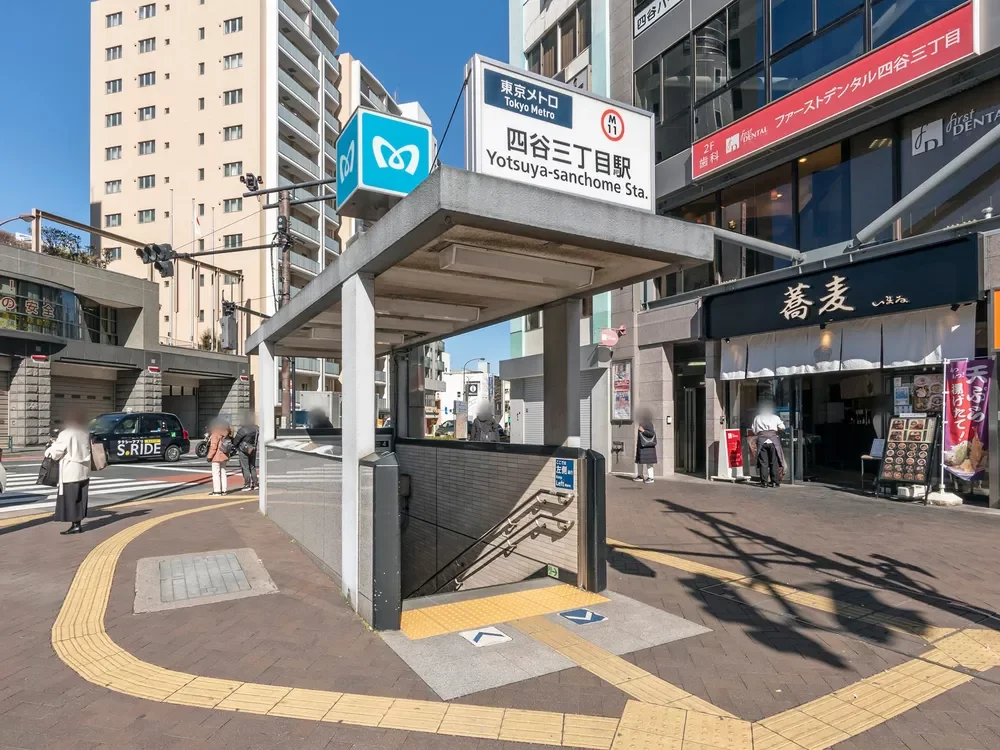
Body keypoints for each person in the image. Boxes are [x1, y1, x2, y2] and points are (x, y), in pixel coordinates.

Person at [45, 408, 92, 535]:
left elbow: (57, 452)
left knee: (70, 499)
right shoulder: (84, 432)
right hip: (84, 470)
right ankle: (78, 524)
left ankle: (75, 525)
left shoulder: (66, 433)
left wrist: (49, 449)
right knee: (80, 498)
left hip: (71, 471)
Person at [751, 399, 786, 488]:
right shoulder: (775, 417)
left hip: (762, 441)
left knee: (763, 463)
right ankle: (774, 482)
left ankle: (764, 483)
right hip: (773, 441)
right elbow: (782, 427)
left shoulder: (757, 418)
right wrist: (775, 429)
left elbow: (754, 431)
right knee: (774, 462)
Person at [233, 413, 259, 492]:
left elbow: (236, 441)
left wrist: (235, 446)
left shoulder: (243, 430)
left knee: (245, 467)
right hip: (253, 448)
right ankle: (255, 483)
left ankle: (247, 484)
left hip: (244, 449)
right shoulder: (256, 428)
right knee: (252, 466)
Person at [206, 419, 232, 496]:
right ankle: (224, 490)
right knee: (223, 473)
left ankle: (217, 491)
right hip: (224, 455)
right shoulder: (226, 433)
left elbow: (213, 447)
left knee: (216, 474)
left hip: (216, 457)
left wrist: (209, 457)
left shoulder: (215, 434)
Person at [634, 411, 658, 484]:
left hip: (648, 447)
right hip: (642, 446)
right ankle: (640, 476)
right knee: (639, 462)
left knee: (649, 463)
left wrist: (643, 431)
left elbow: (651, 434)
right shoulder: (642, 423)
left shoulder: (648, 424)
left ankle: (651, 477)